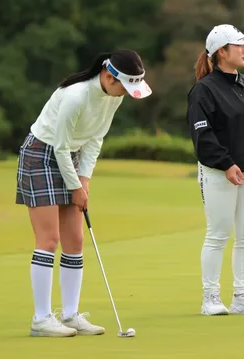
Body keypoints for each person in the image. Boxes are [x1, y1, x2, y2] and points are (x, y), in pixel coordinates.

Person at [16, 50, 152, 337]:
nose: (126, 94)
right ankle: (41, 319)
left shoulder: (114, 97)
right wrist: (75, 186)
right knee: (49, 239)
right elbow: (60, 146)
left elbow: (95, 138)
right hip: (41, 155)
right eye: (124, 87)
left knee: (75, 240)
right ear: (109, 76)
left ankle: (70, 315)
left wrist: (84, 179)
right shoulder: (75, 96)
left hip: (70, 157)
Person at [187, 24, 244, 316]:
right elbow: (203, 135)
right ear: (221, 52)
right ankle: (211, 298)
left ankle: (242, 296)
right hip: (219, 173)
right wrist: (226, 163)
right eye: (238, 45)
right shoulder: (204, 90)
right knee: (218, 234)